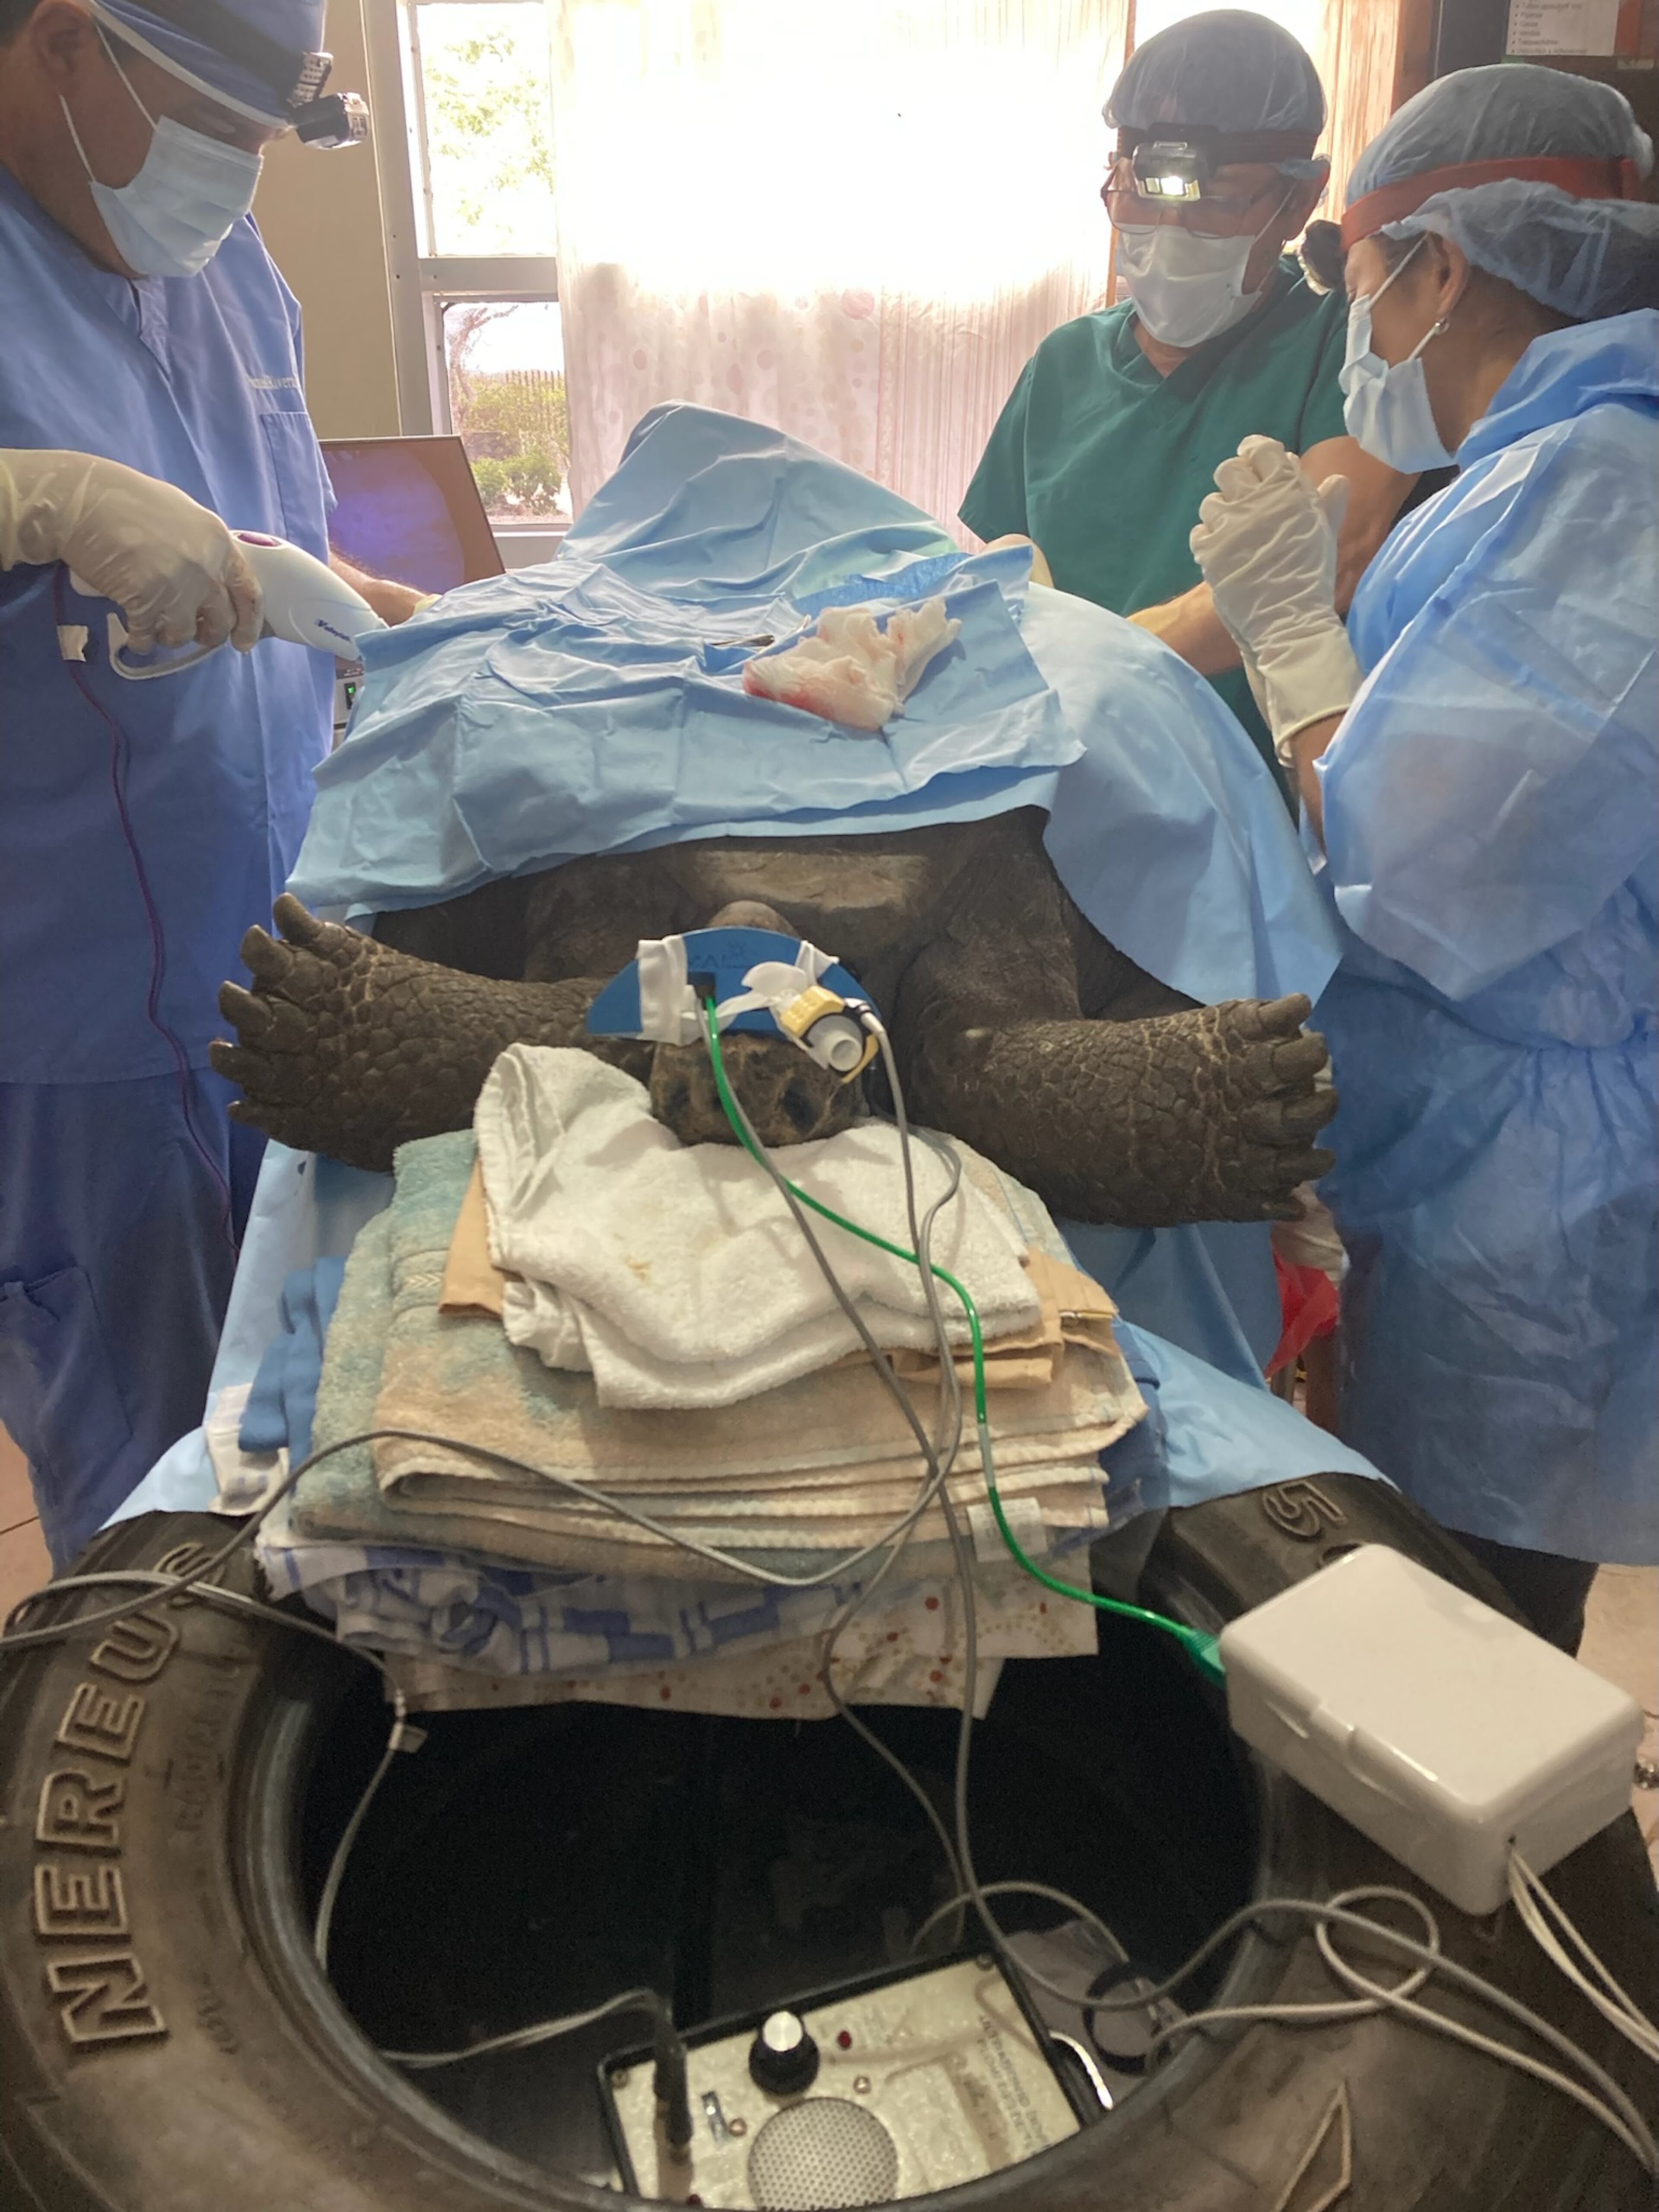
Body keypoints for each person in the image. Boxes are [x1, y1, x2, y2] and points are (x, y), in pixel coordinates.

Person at [1190, 63, 1659, 1650]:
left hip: (1524, 1204)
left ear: (1440, 265)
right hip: (1453, 1143)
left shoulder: (1613, 490)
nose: (1357, 316)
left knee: (1482, 1656)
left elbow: (1428, 849)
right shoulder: (1536, 471)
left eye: (1354, 268)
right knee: (1416, 1603)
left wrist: (1291, 643)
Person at [0, 0, 424, 1566]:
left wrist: (421, 627)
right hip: (70, 1027)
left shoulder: (225, 273)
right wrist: (36, 500)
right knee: (153, 1494)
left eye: (262, 135)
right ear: (63, 43)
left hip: (263, 948)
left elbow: (277, 545)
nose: (236, 176)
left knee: (291, 1410)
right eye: (210, 125)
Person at [960, 8, 1415, 779]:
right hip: (1062, 768)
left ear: (1298, 204)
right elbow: (1011, 558)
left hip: (1236, 790)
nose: (1168, 226)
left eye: (1213, 199)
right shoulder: (1066, 362)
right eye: (1142, 190)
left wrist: (1104, 664)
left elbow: (1327, 553)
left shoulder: (1347, 344)